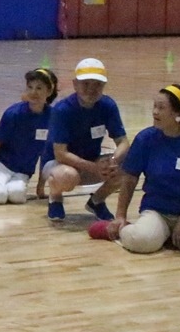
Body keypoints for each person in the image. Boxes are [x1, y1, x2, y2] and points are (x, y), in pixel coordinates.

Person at [93, 84, 180, 257]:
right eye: (154, 106)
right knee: (141, 240)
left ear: (179, 114)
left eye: (161, 108)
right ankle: (117, 229)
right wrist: (120, 216)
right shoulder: (145, 139)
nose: (155, 112)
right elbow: (130, 179)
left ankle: (172, 236)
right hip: (158, 211)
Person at [43, 58, 126, 222]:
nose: (91, 89)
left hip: (91, 162)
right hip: (58, 165)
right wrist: (94, 167)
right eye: (86, 84)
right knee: (67, 175)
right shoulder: (62, 110)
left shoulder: (108, 106)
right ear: (75, 84)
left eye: (97, 84)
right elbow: (60, 154)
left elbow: (123, 142)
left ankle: (97, 201)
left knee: (129, 166)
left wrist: (113, 160)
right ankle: (55, 197)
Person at [0, 68, 57, 205]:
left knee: (17, 197)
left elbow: (46, 155)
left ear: (49, 91)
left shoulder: (53, 118)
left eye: (39, 88)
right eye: (30, 87)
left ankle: (4, 188)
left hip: (22, 171)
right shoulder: (14, 114)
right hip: (0, 165)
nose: (33, 92)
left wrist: (40, 186)